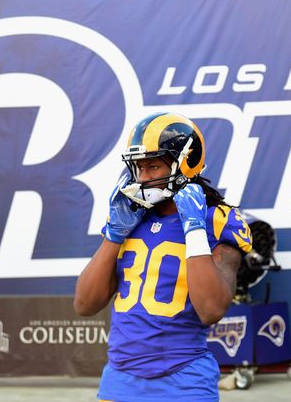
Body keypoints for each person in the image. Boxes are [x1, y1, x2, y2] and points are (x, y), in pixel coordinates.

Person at [73, 112, 252, 401]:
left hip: (184, 381)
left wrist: (194, 230)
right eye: (138, 168)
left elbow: (211, 310)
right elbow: (84, 304)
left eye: (153, 166)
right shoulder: (127, 216)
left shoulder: (217, 219)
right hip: (119, 379)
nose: (143, 178)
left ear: (187, 162)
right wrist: (114, 235)